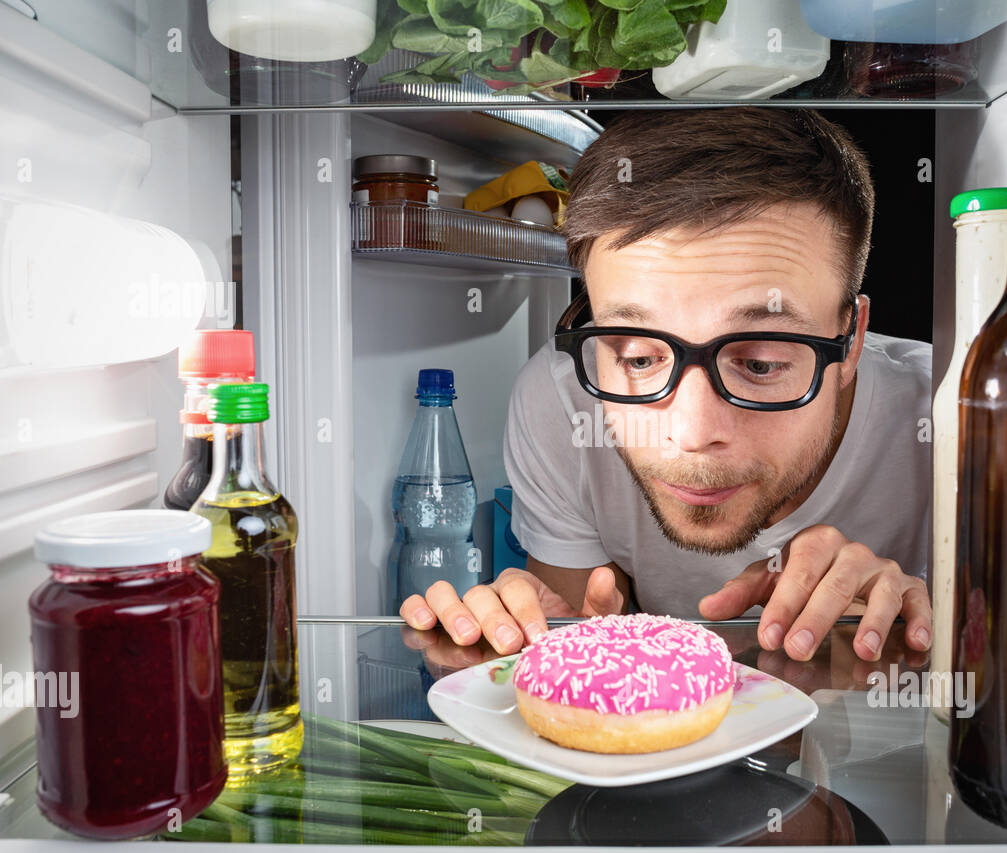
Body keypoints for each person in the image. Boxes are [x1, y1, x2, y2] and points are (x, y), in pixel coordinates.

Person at [399, 107, 932, 664]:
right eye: (639, 356)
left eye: (761, 364)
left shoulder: (951, 419)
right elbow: (583, 636)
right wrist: (536, 650)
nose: (694, 433)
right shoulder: (561, 400)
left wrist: (926, 638)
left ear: (850, 339)